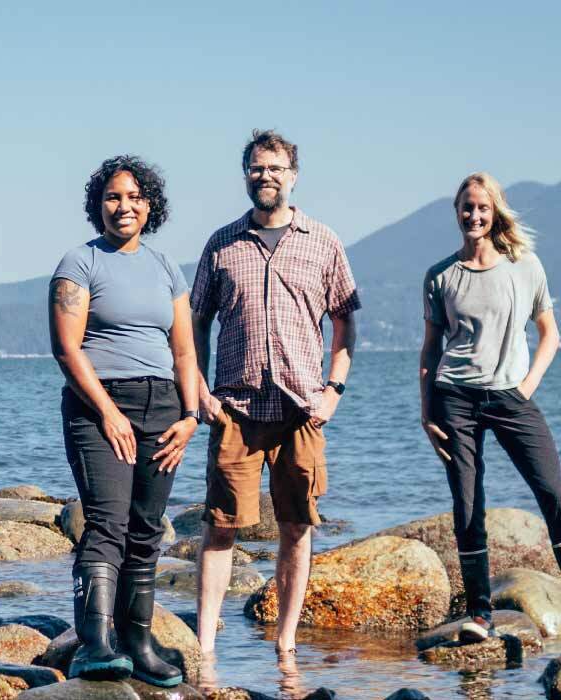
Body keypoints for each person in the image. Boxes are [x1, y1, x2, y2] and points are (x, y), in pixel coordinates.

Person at [419, 173, 561, 645]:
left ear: (496, 212)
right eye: (466, 207)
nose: (474, 215)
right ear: (457, 213)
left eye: (482, 208)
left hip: (512, 396)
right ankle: (480, 615)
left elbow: (550, 333)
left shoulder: (525, 266)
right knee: (468, 504)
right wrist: (427, 413)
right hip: (455, 399)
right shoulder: (440, 276)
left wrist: (527, 386)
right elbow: (430, 351)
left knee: (553, 493)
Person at [189, 130, 358, 682]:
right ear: (246, 176)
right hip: (235, 407)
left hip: (301, 409)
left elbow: (345, 321)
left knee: (296, 526)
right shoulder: (222, 243)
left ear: (294, 175)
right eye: (257, 168)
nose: (267, 176)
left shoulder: (323, 241)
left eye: (277, 168)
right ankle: (205, 645)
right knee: (220, 528)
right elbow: (193, 323)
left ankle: (286, 644)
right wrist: (198, 389)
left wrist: (333, 390)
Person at [50, 155, 202, 686]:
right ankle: (95, 643)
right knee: (108, 525)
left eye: (135, 197)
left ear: (150, 205)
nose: (124, 206)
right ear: (98, 205)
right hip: (99, 408)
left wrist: (190, 417)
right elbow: (67, 350)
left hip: (163, 409)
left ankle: (136, 642)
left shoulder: (166, 268)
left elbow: (184, 353)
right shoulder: (80, 263)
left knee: (145, 531)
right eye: (114, 197)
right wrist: (109, 412)